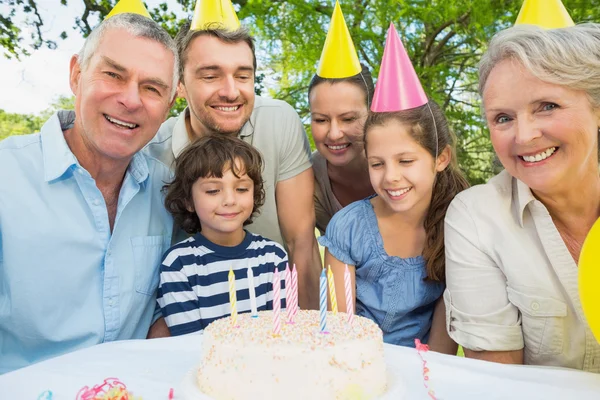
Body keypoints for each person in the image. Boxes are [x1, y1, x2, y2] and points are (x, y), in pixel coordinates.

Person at [0, 11, 179, 374]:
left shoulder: (169, 192)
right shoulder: (7, 177)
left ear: (169, 105)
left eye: (152, 88)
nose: (130, 100)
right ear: (76, 75)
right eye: (113, 74)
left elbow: (170, 298)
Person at [444, 23, 600, 371]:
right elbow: (499, 385)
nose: (525, 135)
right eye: (503, 118)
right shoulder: (478, 220)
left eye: (547, 106)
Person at [145, 11, 321, 310]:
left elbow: (300, 244)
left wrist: (312, 338)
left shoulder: (280, 120)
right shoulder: (152, 152)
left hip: (273, 315)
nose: (230, 91)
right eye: (210, 76)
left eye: (243, 75)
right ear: (180, 85)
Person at [319, 25, 468, 352]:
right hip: (358, 364)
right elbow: (341, 331)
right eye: (377, 163)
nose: (390, 177)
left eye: (405, 161)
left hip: (424, 371)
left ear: (440, 158)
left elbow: (444, 338)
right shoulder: (350, 228)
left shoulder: (458, 225)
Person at [156, 135, 287, 335]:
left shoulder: (273, 256)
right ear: (188, 201)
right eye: (213, 190)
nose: (229, 200)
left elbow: (281, 329)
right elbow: (188, 343)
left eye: (242, 189)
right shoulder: (178, 264)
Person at [308, 3, 375, 234]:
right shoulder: (308, 177)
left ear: (372, 114)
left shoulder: (403, 161)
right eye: (321, 120)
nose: (334, 133)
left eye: (348, 119)